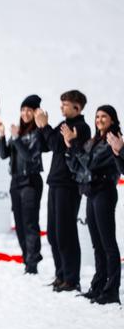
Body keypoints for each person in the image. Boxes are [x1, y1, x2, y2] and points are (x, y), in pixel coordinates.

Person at [35, 90, 91, 292]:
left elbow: (58, 146)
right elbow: (46, 145)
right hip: (56, 182)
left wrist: (45, 127)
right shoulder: (63, 125)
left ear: (77, 107)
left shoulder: (82, 128)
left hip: (69, 185)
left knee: (66, 232)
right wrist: (41, 127)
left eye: (65, 104)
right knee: (53, 233)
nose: (61, 107)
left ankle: (71, 278)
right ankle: (60, 274)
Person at [65, 105, 121, 304]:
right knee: (97, 244)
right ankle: (98, 286)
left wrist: (75, 146)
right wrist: (71, 147)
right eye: (97, 116)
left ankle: (112, 290)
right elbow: (76, 165)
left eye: (103, 116)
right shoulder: (93, 141)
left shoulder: (112, 140)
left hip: (104, 193)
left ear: (112, 120)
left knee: (108, 244)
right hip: (91, 193)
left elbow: (90, 163)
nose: (99, 119)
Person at [0, 95, 44, 274]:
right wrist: (1, 136)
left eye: (28, 110)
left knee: (30, 222)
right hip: (15, 181)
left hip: (30, 181)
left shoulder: (37, 133)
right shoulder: (19, 132)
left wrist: (15, 139)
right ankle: (27, 257)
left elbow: (30, 156)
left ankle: (32, 261)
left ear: (35, 112)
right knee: (19, 223)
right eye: (22, 110)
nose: (24, 113)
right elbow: (4, 154)